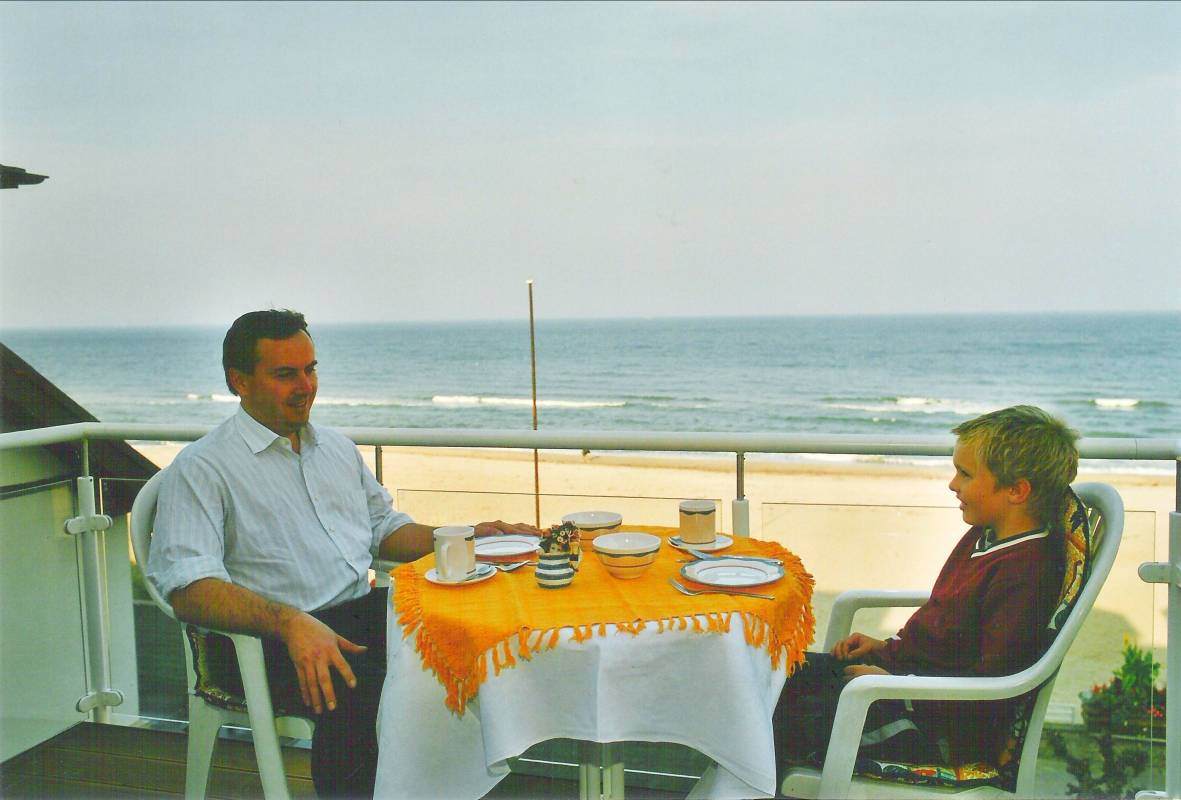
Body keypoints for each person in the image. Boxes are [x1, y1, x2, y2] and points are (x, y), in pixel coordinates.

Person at [146, 309, 536, 798]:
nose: (305, 386)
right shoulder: (203, 469)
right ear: (239, 381)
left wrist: (469, 537)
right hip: (262, 641)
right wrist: (291, 623)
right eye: (285, 374)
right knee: (370, 685)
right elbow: (189, 590)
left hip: (355, 613)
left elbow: (384, 530)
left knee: (461, 633)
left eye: (310, 369)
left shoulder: (333, 448)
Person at [773, 405, 1079, 779]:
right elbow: (946, 634)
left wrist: (894, 684)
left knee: (774, 714)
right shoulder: (988, 533)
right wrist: (887, 651)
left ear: (1016, 490)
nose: (953, 484)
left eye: (965, 474)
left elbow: (990, 688)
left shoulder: (1025, 574)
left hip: (933, 729)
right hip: (904, 686)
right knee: (773, 672)